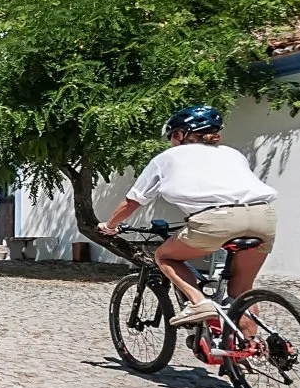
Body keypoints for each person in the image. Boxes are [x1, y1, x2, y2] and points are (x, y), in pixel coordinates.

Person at [98, 105, 277, 327]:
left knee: (165, 256)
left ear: (182, 135)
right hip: (264, 216)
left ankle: (199, 302)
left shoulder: (168, 157)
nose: (172, 141)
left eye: (173, 135)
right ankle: (248, 352)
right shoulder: (233, 154)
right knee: (241, 293)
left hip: (217, 219)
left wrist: (110, 225)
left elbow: (133, 200)